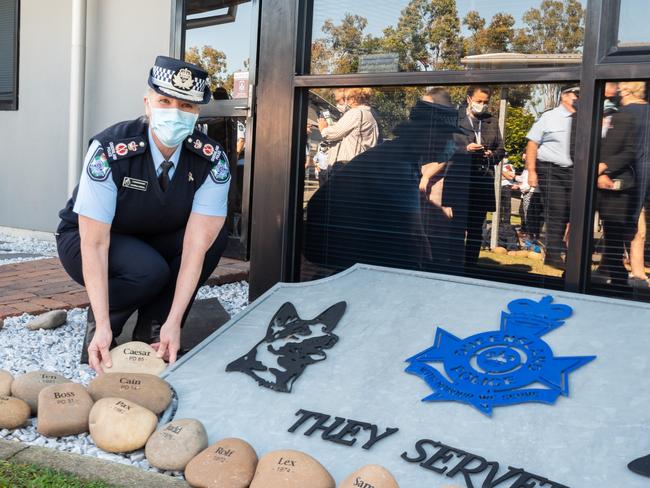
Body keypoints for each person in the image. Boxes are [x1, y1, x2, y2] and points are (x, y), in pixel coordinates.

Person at [56, 56, 230, 372]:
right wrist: (104, 322)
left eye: (187, 106)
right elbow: (94, 244)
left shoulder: (212, 160)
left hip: (159, 235)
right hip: (90, 239)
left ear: (197, 114)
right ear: (148, 104)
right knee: (149, 271)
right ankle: (102, 328)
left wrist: (175, 321)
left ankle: (156, 329)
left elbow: (195, 246)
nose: (175, 113)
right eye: (165, 101)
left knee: (214, 240)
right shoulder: (110, 149)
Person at [525, 85, 580, 269]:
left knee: (576, 212)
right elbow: (532, 144)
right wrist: (531, 171)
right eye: (576, 94)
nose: (578, 98)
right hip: (551, 169)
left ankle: (573, 254)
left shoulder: (585, 116)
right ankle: (553, 255)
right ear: (565, 96)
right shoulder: (550, 117)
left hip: (575, 171)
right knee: (557, 210)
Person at [458, 86, 505, 266]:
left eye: (486, 102)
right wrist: (465, 149)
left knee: (476, 227)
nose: (482, 105)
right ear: (469, 99)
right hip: (460, 179)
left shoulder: (490, 121)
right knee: (456, 225)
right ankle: (453, 262)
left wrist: (490, 155)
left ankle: (471, 264)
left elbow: (501, 149)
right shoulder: (456, 118)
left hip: (482, 180)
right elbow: (445, 145)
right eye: (479, 101)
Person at [618, 81, 650, 287]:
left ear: (628, 90)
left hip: (631, 177)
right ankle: (637, 272)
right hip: (641, 175)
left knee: (634, 226)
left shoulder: (624, 114)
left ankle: (638, 273)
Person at [318, 88, 379, 168]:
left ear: (352, 99)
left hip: (348, 164)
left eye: (346, 98)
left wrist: (323, 128)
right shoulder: (369, 113)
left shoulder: (356, 113)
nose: (346, 101)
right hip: (360, 162)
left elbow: (334, 133)